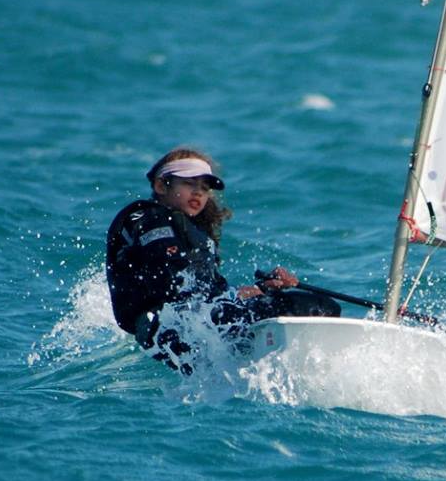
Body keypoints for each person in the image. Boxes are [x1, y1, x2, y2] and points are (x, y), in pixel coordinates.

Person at [105, 147, 340, 373]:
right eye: (189, 183)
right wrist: (238, 297)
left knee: (317, 306)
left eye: (204, 187)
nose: (198, 192)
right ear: (160, 185)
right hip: (166, 328)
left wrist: (260, 290)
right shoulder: (147, 218)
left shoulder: (189, 232)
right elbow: (172, 279)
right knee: (311, 307)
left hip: (194, 321)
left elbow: (205, 291)